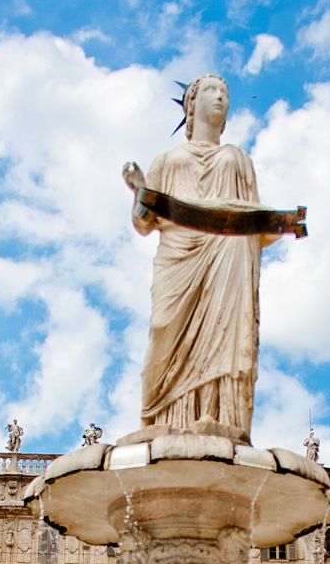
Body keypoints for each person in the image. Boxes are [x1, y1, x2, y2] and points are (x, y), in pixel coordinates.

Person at [124, 75, 301, 442]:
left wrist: (282, 222)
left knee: (227, 332)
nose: (220, 97)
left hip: (229, 254)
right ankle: (158, 417)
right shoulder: (168, 160)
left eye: (225, 93)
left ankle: (220, 416)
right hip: (179, 257)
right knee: (162, 328)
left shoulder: (236, 159)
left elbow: (254, 220)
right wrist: (141, 192)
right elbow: (143, 224)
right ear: (191, 104)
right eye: (210, 91)